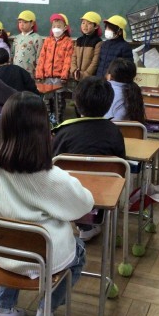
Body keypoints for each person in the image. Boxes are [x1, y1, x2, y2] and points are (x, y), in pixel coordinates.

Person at [0, 92, 93, 316]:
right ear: (43, 130)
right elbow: (84, 204)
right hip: (42, 257)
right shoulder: (49, 175)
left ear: (5, 126)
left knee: (10, 233)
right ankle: (45, 311)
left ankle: (3, 308)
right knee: (78, 251)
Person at [52, 76, 126, 241]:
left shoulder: (63, 132)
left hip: (69, 192)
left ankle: (83, 224)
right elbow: (121, 167)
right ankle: (91, 222)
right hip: (105, 192)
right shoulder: (114, 132)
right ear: (108, 104)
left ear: (76, 103)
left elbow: (52, 164)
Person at [35, 13, 74, 124]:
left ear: (65, 28)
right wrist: (39, 74)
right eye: (54, 26)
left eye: (59, 26)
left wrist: (64, 76)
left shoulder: (68, 42)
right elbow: (42, 58)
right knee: (47, 100)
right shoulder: (48, 41)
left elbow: (68, 60)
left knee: (59, 101)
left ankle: (58, 121)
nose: (56, 29)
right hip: (47, 77)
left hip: (59, 78)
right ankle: (48, 122)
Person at [105, 57, 146, 123]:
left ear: (110, 75)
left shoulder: (103, 91)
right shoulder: (135, 93)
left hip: (105, 128)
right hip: (131, 129)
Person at [95, 15, 133, 79]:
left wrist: (114, 76)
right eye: (106, 28)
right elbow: (100, 63)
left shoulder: (125, 47)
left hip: (114, 80)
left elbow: (127, 67)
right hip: (100, 80)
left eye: (110, 28)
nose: (107, 30)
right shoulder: (104, 44)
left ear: (120, 32)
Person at [71, 11, 102, 83]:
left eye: (89, 23)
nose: (85, 26)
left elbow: (95, 62)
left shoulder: (98, 41)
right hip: (77, 76)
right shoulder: (79, 40)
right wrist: (74, 71)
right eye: (83, 23)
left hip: (89, 79)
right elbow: (74, 57)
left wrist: (85, 75)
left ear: (96, 26)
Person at [11, 10, 42, 76]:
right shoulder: (17, 38)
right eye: (20, 22)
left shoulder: (36, 38)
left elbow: (39, 57)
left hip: (29, 73)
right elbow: (12, 54)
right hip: (16, 72)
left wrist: (38, 71)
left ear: (32, 23)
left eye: (25, 22)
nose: (21, 24)